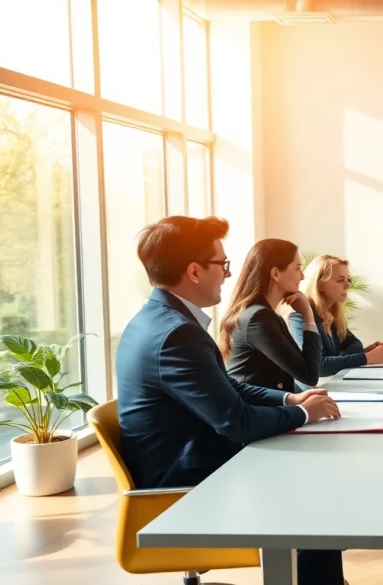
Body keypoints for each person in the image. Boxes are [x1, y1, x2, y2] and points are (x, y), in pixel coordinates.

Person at [115, 216, 346, 585]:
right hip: (185, 482)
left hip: (186, 455)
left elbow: (227, 386)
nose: (227, 274)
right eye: (221, 264)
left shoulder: (159, 320)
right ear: (193, 271)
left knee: (313, 473)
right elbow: (235, 421)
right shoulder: (177, 334)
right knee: (315, 493)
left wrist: (290, 397)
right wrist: (302, 413)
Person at [220, 238, 323, 391]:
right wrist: (308, 315)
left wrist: (305, 398)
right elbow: (309, 375)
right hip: (257, 411)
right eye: (297, 268)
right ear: (275, 273)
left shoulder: (266, 315)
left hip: (270, 407)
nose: (302, 276)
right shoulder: (258, 318)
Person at [289, 254, 383, 376]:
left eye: (348, 279)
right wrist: (366, 357)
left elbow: (355, 344)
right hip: (315, 391)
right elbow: (318, 366)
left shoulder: (332, 314)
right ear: (320, 284)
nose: (347, 285)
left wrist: (364, 352)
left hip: (335, 383)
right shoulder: (299, 317)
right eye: (340, 280)